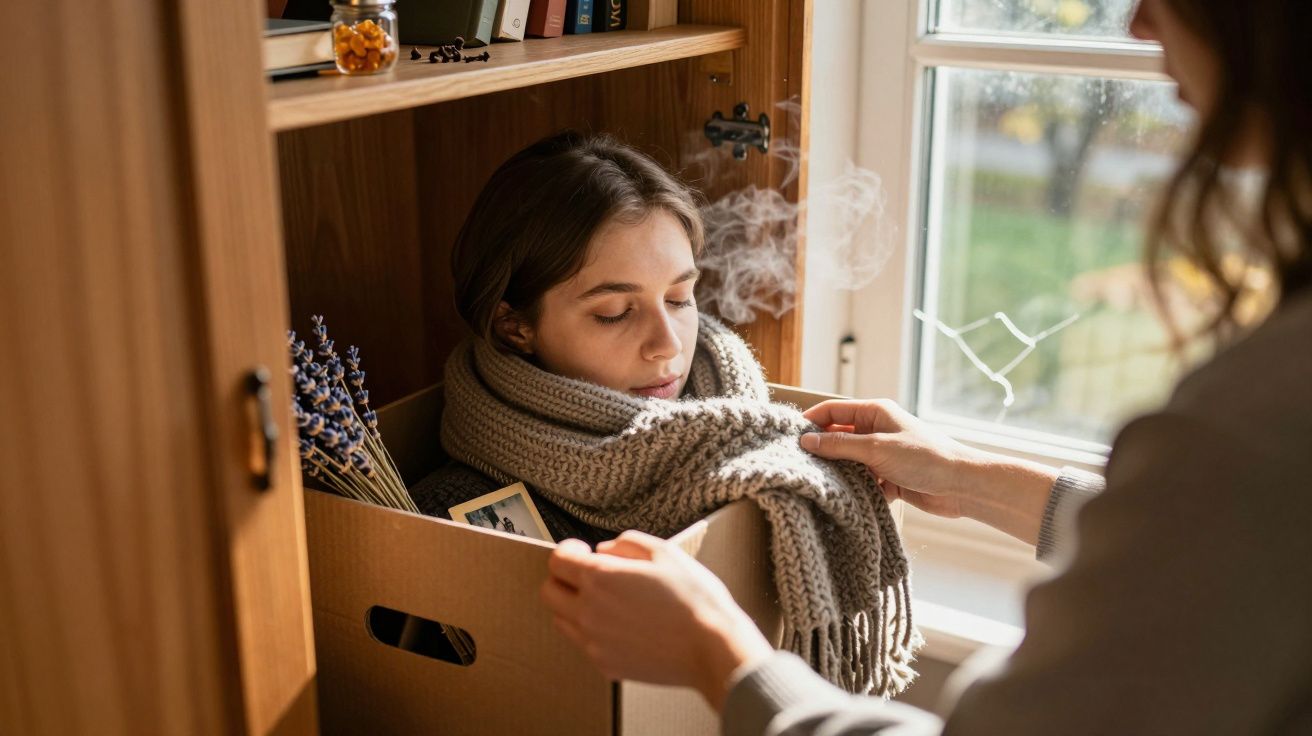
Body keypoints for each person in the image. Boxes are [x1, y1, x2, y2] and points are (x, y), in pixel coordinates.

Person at [540, 0, 1312, 733]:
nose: (1136, 21)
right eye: (612, 311)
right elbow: (1224, 544)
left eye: (683, 299)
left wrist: (714, 648)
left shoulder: (1252, 424)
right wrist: (973, 477)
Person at [415, 131, 920, 694]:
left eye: (680, 300)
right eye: (614, 313)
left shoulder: (767, 444)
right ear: (517, 327)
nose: (669, 344)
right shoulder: (453, 510)